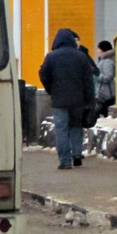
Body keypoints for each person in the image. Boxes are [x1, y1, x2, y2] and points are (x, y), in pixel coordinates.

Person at [38, 28, 96, 169]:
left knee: (62, 129)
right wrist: (90, 100)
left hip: (59, 100)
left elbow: (43, 74)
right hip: (78, 100)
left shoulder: (51, 56)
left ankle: (65, 160)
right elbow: (88, 80)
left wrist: (51, 89)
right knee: (76, 127)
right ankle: (77, 155)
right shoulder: (80, 56)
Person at [94, 40, 116, 120]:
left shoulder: (107, 61)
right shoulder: (101, 60)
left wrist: (96, 76)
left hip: (106, 94)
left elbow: (108, 77)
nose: (97, 51)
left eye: (98, 48)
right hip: (101, 92)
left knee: (102, 114)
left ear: (103, 49)